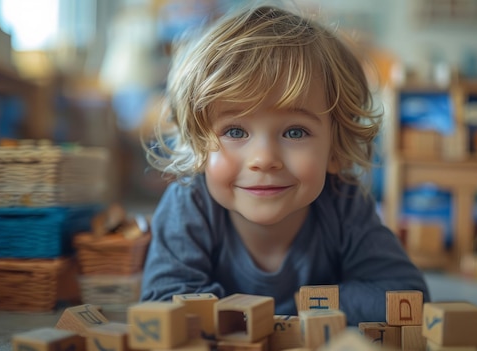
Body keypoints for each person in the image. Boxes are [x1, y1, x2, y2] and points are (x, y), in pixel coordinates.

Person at [140, 3, 429, 326]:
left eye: (295, 132)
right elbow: (163, 303)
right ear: (198, 145)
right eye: (235, 131)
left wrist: (297, 312)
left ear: (335, 150)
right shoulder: (189, 203)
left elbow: (408, 296)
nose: (264, 159)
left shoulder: (343, 203)